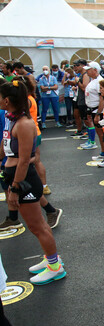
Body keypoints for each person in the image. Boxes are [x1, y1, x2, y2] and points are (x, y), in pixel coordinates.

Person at [0, 79, 67, 285]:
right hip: (15, 177)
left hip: (25, 181)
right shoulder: (11, 119)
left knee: (37, 226)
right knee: (37, 226)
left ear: (8, 100)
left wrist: (14, 188)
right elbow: (6, 149)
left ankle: (55, 267)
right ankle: (50, 259)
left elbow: (24, 160)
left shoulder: (25, 124)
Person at [81, 61, 103, 151]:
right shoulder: (93, 80)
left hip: (98, 111)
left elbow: (102, 99)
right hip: (92, 110)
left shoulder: (99, 81)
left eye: (88, 70)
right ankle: (103, 153)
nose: (87, 72)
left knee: (101, 134)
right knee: (99, 134)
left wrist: (98, 113)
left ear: (95, 70)